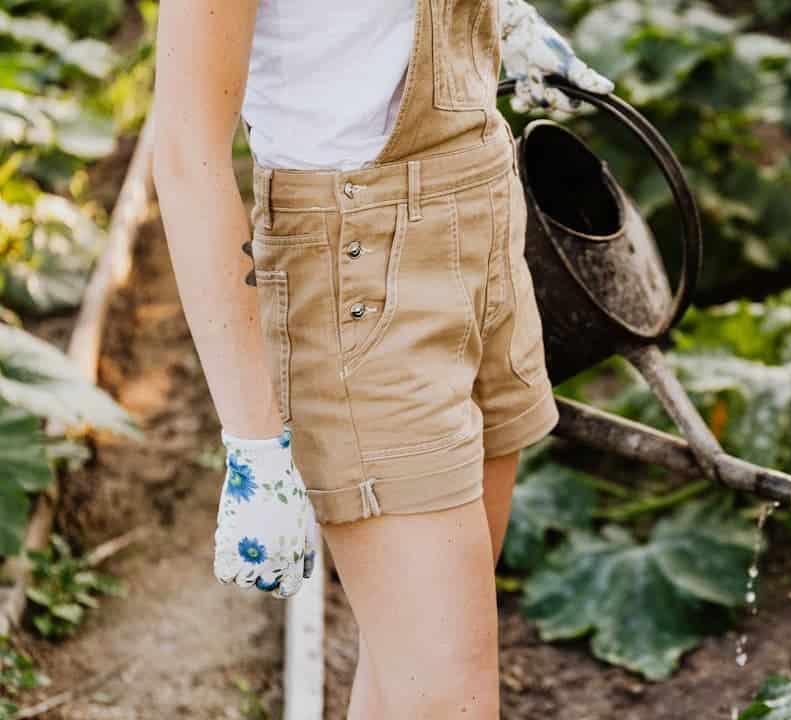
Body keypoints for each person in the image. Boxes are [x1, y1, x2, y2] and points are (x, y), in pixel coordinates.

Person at [151, 1, 612, 717]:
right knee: (448, 697)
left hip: (481, 220)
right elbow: (186, 151)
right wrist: (253, 441)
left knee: (412, 677)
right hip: (359, 275)